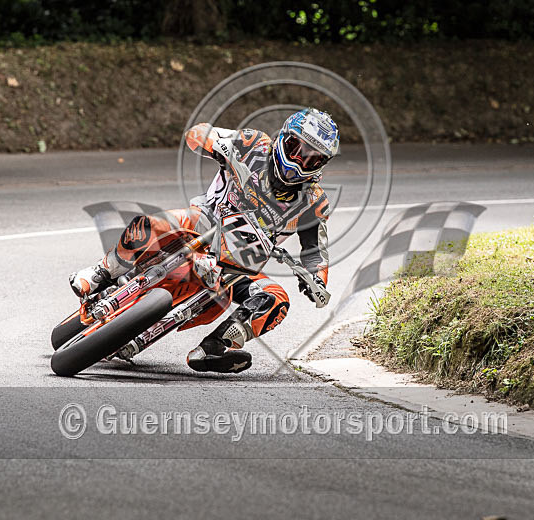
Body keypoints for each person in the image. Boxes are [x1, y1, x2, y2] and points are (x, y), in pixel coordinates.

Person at [69, 108, 339, 373]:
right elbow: (197, 133)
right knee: (152, 224)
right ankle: (100, 271)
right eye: (295, 148)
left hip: (240, 263)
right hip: (203, 222)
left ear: (321, 164)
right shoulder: (253, 143)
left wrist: (316, 279)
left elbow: (316, 250)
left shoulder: (314, 202)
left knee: (276, 299)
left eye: (312, 159)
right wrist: (216, 145)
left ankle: (216, 346)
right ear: (283, 136)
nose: (299, 161)